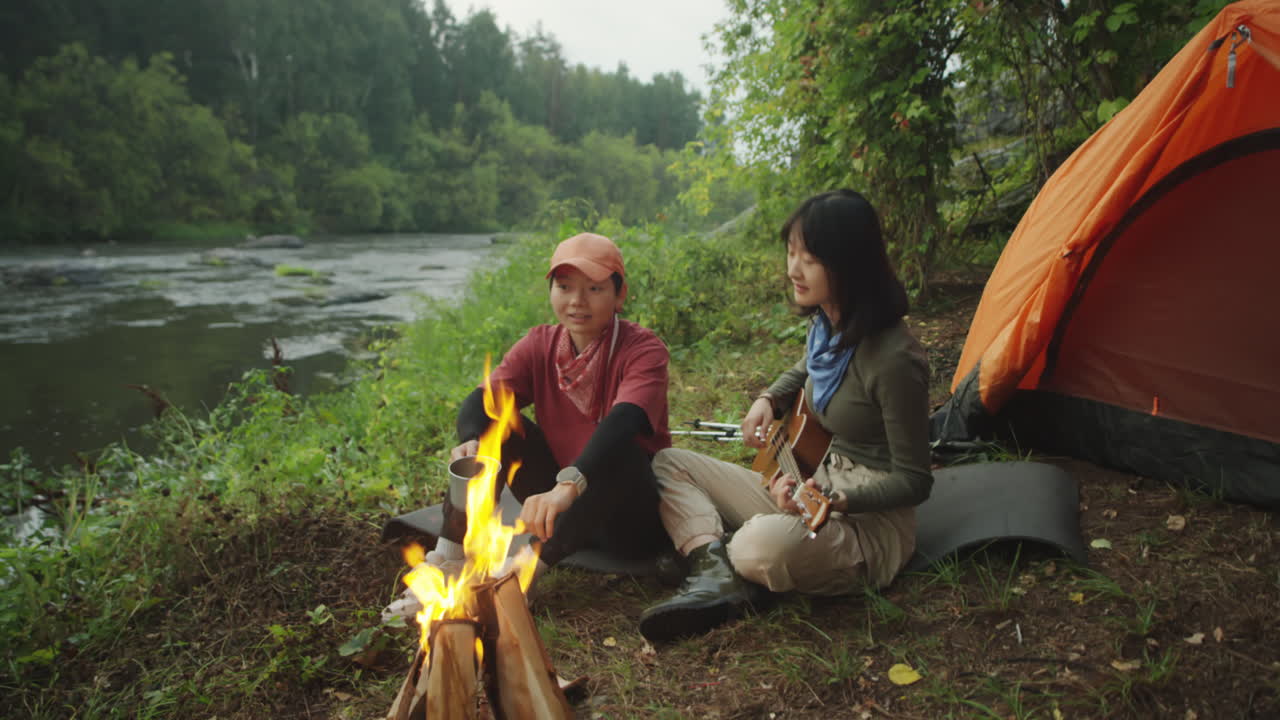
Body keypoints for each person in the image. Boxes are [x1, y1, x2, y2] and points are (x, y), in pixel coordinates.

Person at [637, 189, 934, 643]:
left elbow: (916, 481)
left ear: (849, 264)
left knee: (758, 544)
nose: (793, 269)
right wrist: (769, 399)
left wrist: (835, 500)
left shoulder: (895, 360)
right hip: (813, 479)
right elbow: (808, 367)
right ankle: (716, 569)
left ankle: (723, 558)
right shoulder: (829, 324)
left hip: (869, 524)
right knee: (669, 464)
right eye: (791, 252)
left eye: (809, 258)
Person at [383, 232, 673, 620]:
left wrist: (569, 486)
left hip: (627, 515)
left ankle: (524, 570)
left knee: (626, 452)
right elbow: (481, 402)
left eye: (594, 288)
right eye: (564, 287)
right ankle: (449, 559)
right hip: (557, 505)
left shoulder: (643, 349)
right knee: (500, 423)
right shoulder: (540, 344)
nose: (576, 301)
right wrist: (471, 440)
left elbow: (625, 422)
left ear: (619, 295)